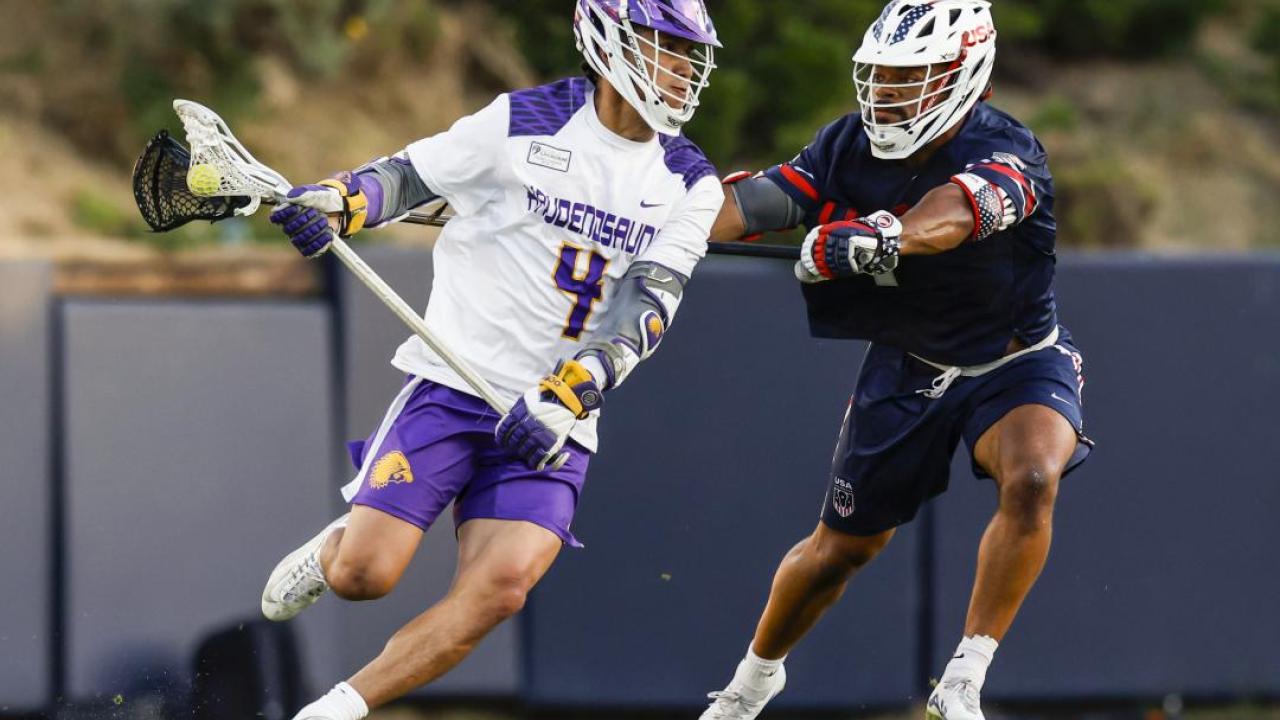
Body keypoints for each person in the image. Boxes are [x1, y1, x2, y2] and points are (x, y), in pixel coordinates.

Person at [260, 2, 722, 718]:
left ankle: (342, 708)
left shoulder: (690, 184)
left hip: (555, 416)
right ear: (609, 43)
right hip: (453, 384)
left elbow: (645, 309)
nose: (682, 69)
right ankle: (336, 546)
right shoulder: (519, 122)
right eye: (666, 47)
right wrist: (339, 201)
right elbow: (407, 178)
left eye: (690, 54)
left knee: (502, 588)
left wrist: (569, 395)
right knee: (364, 576)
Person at [700, 1, 1092, 718]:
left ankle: (964, 677)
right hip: (909, 367)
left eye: (910, 78)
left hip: (1015, 361)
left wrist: (880, 235)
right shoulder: (848, 143)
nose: (888, 93)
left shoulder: (1009, 146)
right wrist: (670, 223)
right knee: (839, 551)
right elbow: (766, 200)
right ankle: (750, 684)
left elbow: (955, 214)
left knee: (1035, 476)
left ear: (963, 73)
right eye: (881, 76)